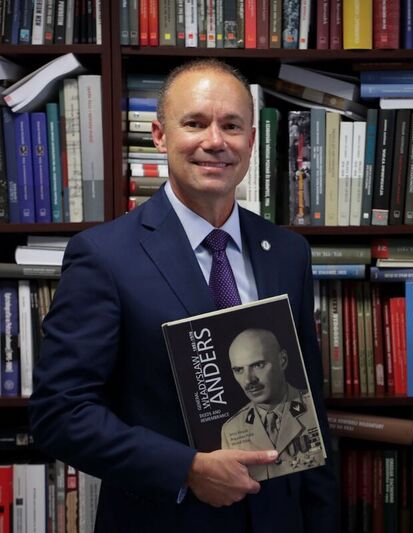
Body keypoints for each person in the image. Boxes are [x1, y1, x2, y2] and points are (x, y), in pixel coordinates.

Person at [28, 59, 338, 532]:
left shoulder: (289, 253)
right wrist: (186, 469)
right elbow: (59, 413)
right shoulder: (104, 256)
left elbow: (309, 399)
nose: (215, 140)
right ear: (159, 136)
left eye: (232, 125)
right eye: (195, 123)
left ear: (251, 142)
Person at [221, 329, 324, 479]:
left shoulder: (312, 407)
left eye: (258, 365)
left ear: (282, 360)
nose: (248, 380)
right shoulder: (230, 429)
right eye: (239, 370)